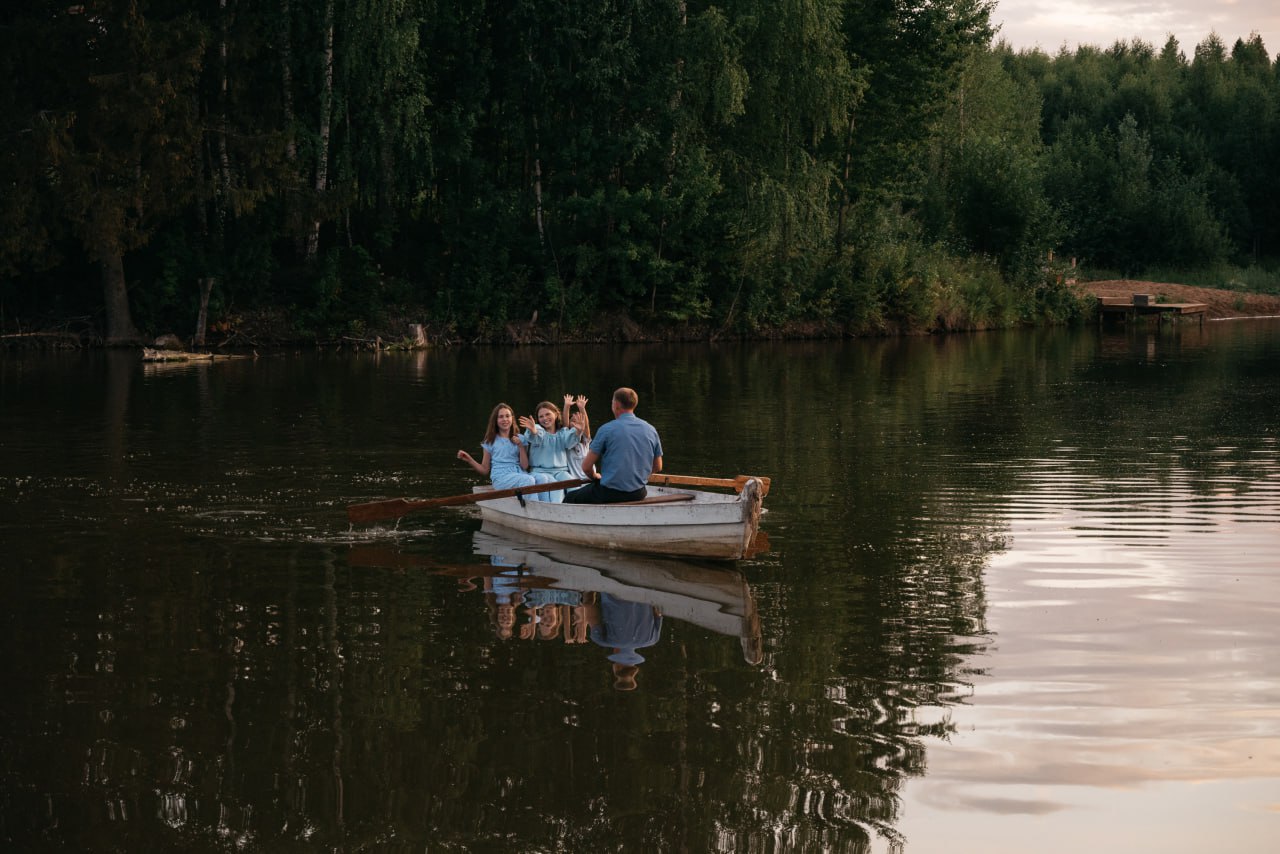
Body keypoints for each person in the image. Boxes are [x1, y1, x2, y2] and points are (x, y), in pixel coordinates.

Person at [563, 387, 662, 504]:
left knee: (569, 498)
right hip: (638, 492)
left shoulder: (607, 429)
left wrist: (594, 476)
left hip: (610, 492)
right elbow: (658, 467)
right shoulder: (650, 429)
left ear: (616, 405)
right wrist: (638, 477)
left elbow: (586, 467)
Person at [457, 402, 556, 500]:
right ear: (495, 420)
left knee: (542, 478)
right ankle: (535, 511)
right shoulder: (490, 441)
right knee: (528, 480)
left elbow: (525, 466)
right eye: (501, 417)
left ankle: (546, 509)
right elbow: (484, 470)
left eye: (507, 416)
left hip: (520, 473)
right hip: (501, 478)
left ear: (512, 418)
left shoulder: (521, 439)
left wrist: (520, 446)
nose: (505, 419)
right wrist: (469, 459)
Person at [518, 398, 581, 502]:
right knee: (557, 488)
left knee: (573, 484)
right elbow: (536, 436)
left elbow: (569, 442)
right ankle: (556, 512)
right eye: (541, 416)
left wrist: (578, 432)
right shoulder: (538, 429)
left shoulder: (562, 432)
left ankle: (578, 509)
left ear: (556, 414)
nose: (544, 418)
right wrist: (533, 431)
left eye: (547, 414)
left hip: (561, 471)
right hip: (540, 471)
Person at [563, 394, 592, 482]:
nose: (577, 423)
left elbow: (586, 425)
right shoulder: (567, 438)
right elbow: (565, 424)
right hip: (575, 480)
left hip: (589, 477)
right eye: (574, 421)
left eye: (579, 421)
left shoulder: (585, 441)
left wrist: (582, 409)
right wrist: (567, 406)